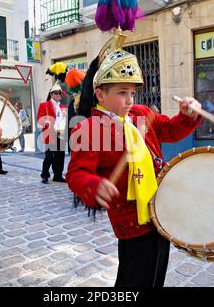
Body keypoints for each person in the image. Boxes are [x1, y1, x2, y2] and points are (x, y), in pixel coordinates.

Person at [66, 33, 202, 287]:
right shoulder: (90, 128)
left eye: (132, 92)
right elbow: (75, 174)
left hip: (160, 211)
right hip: (132, 223)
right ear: (100, 94)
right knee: (135, 278)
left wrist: (187, 115)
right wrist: (93, 185)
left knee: (156, 273)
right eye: (121, 92)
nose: (130, 100)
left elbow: (171, 130)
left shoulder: (141, 114)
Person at [37, 82, 67, 184]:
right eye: (56, 93)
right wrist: (45, 122)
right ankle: (44, 175)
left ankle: (58, 175)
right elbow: (39, 118)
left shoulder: (63, 107)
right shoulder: (44, 105)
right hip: (50, 133)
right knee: (49, 156)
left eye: (60, 93)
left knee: (60, 156)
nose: (58, 95)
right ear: (51, 94)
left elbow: (64, 120)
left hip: (60, 133)